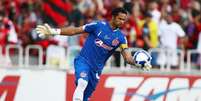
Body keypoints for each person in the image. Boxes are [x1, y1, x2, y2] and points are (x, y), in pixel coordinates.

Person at [35, 7, 151, 101]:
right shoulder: (97, 26)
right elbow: (75, 30)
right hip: (83, 61)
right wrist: (54, 31)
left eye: (124, 20)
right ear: (113, 16)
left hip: (96, 71)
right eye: (120, 19)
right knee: (82, 82)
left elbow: (127, 57)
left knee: (85, 97)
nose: (122, 22)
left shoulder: (121, 38)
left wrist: (137, 63)